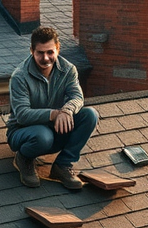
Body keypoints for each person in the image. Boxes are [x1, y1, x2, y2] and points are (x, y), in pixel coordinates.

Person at [7, 26, 98, 190]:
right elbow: (22, 115)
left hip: (54, 129)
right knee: (43, 137)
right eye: (40, 53)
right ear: (31, 51)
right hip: (23, 132)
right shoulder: (20, 76)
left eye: (50, 52)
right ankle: (25, 158)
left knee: (90, 115)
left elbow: (77, 97)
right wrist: (54, 114)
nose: (46, 58)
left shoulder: (68, 70)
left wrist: (67, 110)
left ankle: (62, 165)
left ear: (58, 48)